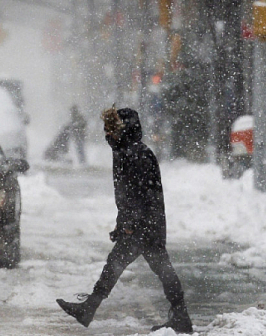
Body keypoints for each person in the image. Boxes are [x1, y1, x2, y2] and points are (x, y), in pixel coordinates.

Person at [56, 106, 193, 333]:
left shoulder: (136, 154)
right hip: (147, 224)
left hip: (144, 226)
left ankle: (89, 308)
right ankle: (181, 316)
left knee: (118, 264)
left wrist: (130, 224)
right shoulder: (126, 151)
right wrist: (122, 224)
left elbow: (140, 194)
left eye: (112, 130)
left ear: (125, 130)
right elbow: (128, 196)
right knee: (158, 268)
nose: (108, 134)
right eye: (107, 130)